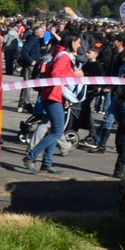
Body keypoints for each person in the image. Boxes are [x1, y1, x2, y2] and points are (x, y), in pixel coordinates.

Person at [22, 33, 84, 174]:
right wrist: (75, 75)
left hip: (55, 95)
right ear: (72, 41)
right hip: (53, 96)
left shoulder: (61, 54)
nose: (79, 45)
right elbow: (56, 75)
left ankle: (47, 163)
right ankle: (30, 157)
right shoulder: (64, 56)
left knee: (55, 130)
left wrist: (65, 98)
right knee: (56, 132)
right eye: (78, 42)